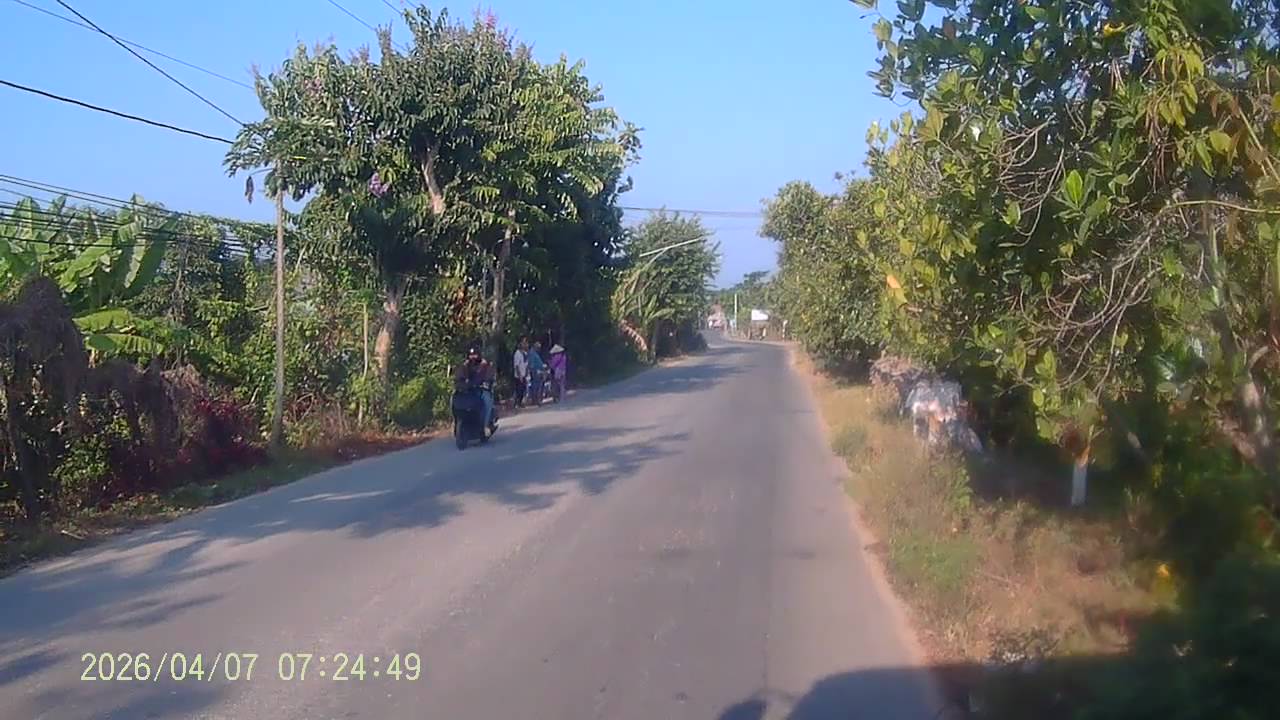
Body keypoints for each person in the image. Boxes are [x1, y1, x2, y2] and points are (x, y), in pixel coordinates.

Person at [453, 346, 496, 430]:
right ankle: (456, 422)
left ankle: (485, 425)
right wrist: (459, 382)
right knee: (453, 399)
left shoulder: (485, 364)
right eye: (471, 355)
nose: (472, 357)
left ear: (479, 355)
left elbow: (489, 375)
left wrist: (486, 382)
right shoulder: (465, 365)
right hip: (468, 391)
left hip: (481, 389)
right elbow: (459, 376)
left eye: (474, 355)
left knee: (487, 400)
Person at [526, 341, 547, 405]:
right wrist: (535, 371)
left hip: (539, 371)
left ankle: (537, 399)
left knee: (539, 385)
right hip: (536, 372)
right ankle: (536, 400)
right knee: (536, 386)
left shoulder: (535, 353)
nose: (539, 349)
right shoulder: (532, 353)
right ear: (535, 347)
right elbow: (532, 365)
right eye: (538, 347)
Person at [512, 337, 530, 408]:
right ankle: (517, 403)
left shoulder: (525, 353)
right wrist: (519, 376)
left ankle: (520, 403)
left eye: (526, 343)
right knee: (519, 390)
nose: (525, 344)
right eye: (523, 343)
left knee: (523, 390)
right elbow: (516, 366)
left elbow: (526, 364)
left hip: (524, 374)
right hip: (518, 376)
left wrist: (526, 373)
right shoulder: (517, 353)